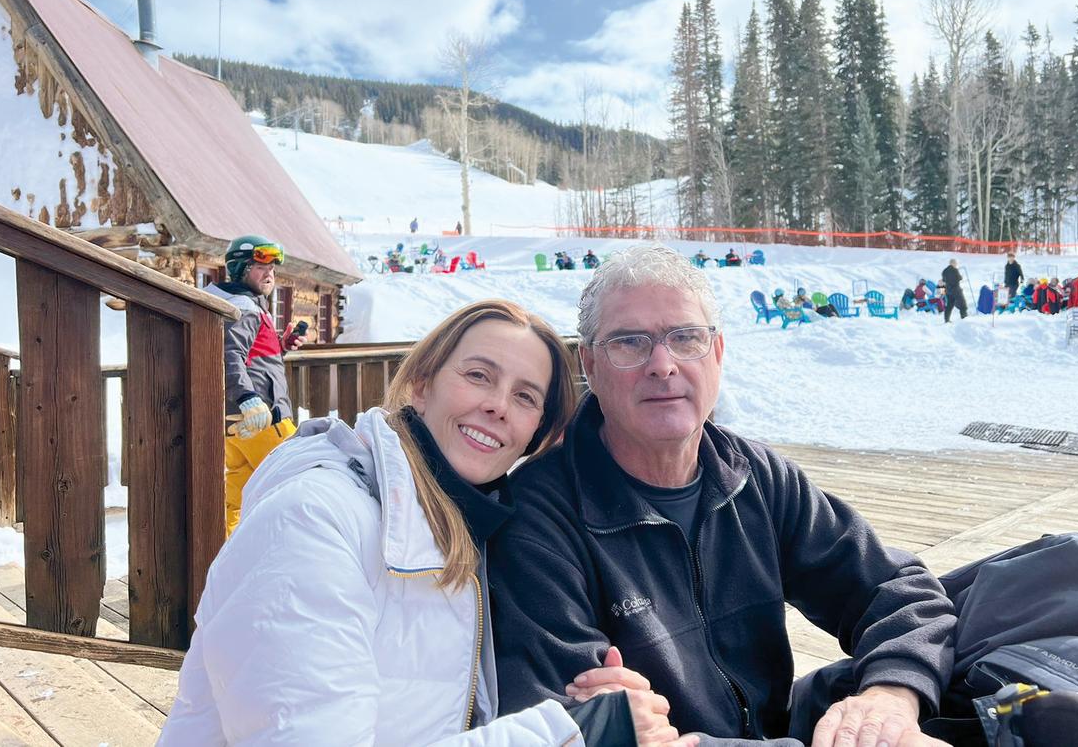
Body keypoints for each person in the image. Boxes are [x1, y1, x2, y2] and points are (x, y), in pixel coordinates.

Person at [160, 299, 691, 746]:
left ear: (536, 433)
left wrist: (589, 702)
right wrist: (576, 732)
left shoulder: (461, 528)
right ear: (419, 382)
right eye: (479, 375)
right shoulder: (314, 518)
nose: (498, 406)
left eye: (525, 397)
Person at [489, 244, 955, 747]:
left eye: (685, 337)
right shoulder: (538, 521)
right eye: (629, 342)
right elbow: (574, 724)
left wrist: (890, 697)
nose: (662, 365)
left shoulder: (755, 475)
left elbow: (897, 591)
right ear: (591, 366)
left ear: (717, 352)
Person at [204, 236, 307, 537]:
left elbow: (249, 356)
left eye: (273, 267)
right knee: (298, 481)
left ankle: (228, 552)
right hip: (263, 417)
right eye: (261, 267)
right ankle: (291, 550)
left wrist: (282, 345)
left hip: (238, 423)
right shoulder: (243, 307)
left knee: (238, 493)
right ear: (239, 269)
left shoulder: (230, 302)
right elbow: (230, 354)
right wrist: (248, 397)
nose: (270, 273)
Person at [941, 259, 967, 323]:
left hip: (948, 291)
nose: (956, 265)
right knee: (963, 305)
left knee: (949, 305)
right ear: (953, 263)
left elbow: (943, 280)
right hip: (956, 290)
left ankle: (947, 320)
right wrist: (961, 277)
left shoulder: (944, 271)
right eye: (956, 264)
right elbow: (959, 278)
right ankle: (964, 319)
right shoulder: (955, 270)